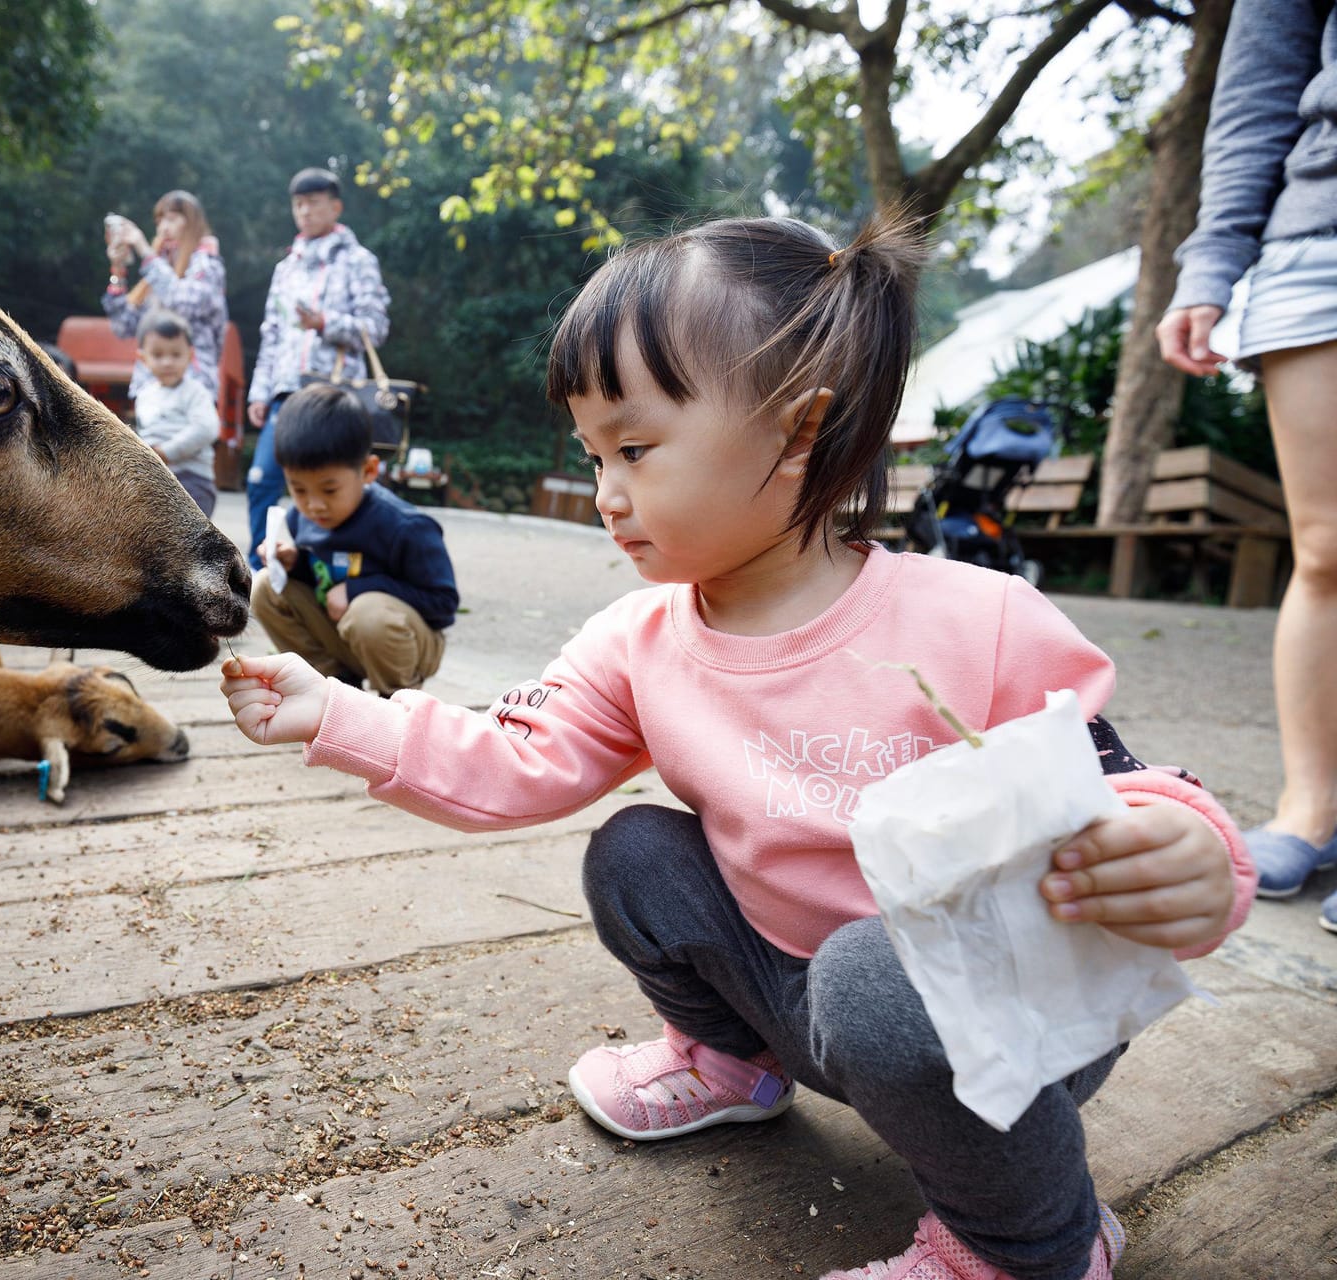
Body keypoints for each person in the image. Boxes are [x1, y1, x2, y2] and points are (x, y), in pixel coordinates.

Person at [222, 214, 1255, 1280]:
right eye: (593, 455)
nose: (607, 493)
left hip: (998, 1025)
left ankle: (1031, 1244)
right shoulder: (640, 639)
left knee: (868, 975)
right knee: (634, 853)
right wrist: (336, 712)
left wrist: (1188, 853)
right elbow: (512, 757)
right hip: (797, 996)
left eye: (634, 449)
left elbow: (1125, 787)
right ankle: (734, 1065)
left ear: (799, 432)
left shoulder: (976, 620)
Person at [1157, 0, 1337, 935]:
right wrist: (1211, 262)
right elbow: (1260, 80)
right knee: (1327, 549)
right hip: (1320, 234)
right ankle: (1312, 809)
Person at [250, 383, 455, 696]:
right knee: (265, 587)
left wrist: (359, 589)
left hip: (405, 645)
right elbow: (322, 576)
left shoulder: (405, 527)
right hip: (345, 638)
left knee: (367, 614)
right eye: (299, 489)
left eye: (329, 490)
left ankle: (398, 704)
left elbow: (443, 604)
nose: (314, 505)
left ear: (369, 470)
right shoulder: (302, 517)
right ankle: (336, 689)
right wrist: (294, 564)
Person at [244, 167, 392, 571]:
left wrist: (324, 323)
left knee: (333, 484)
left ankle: (333, 571)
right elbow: (271, 335)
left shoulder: (359, 261)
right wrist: (260, 392)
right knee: (262, 480)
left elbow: (376, 328)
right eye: (298, 204)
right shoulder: (285, 268)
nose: (304, 211)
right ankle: (260, 573)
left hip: (335, 395)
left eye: (313, 202)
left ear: (335, 207)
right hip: (285, 392)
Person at [103, 190, 227, 399]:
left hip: (193, 385)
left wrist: (145, 251)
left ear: (192, 223)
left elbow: (184, 303)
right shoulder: (158, 268)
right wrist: (118, 269)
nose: (163, 228)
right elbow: (123, 327)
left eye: (171, 219)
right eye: (159, 221)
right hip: (150, 386)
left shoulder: (207, 263)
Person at [132, 310, 221, 516]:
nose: (167, 362)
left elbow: (206, 428)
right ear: (143, 358)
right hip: (155, 478)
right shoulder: (144, 396)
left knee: (189, 533)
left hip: (192, 479)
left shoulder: (195, 392)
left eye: (176, 355)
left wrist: (166, 452)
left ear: (190, 355)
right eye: (158, 355)